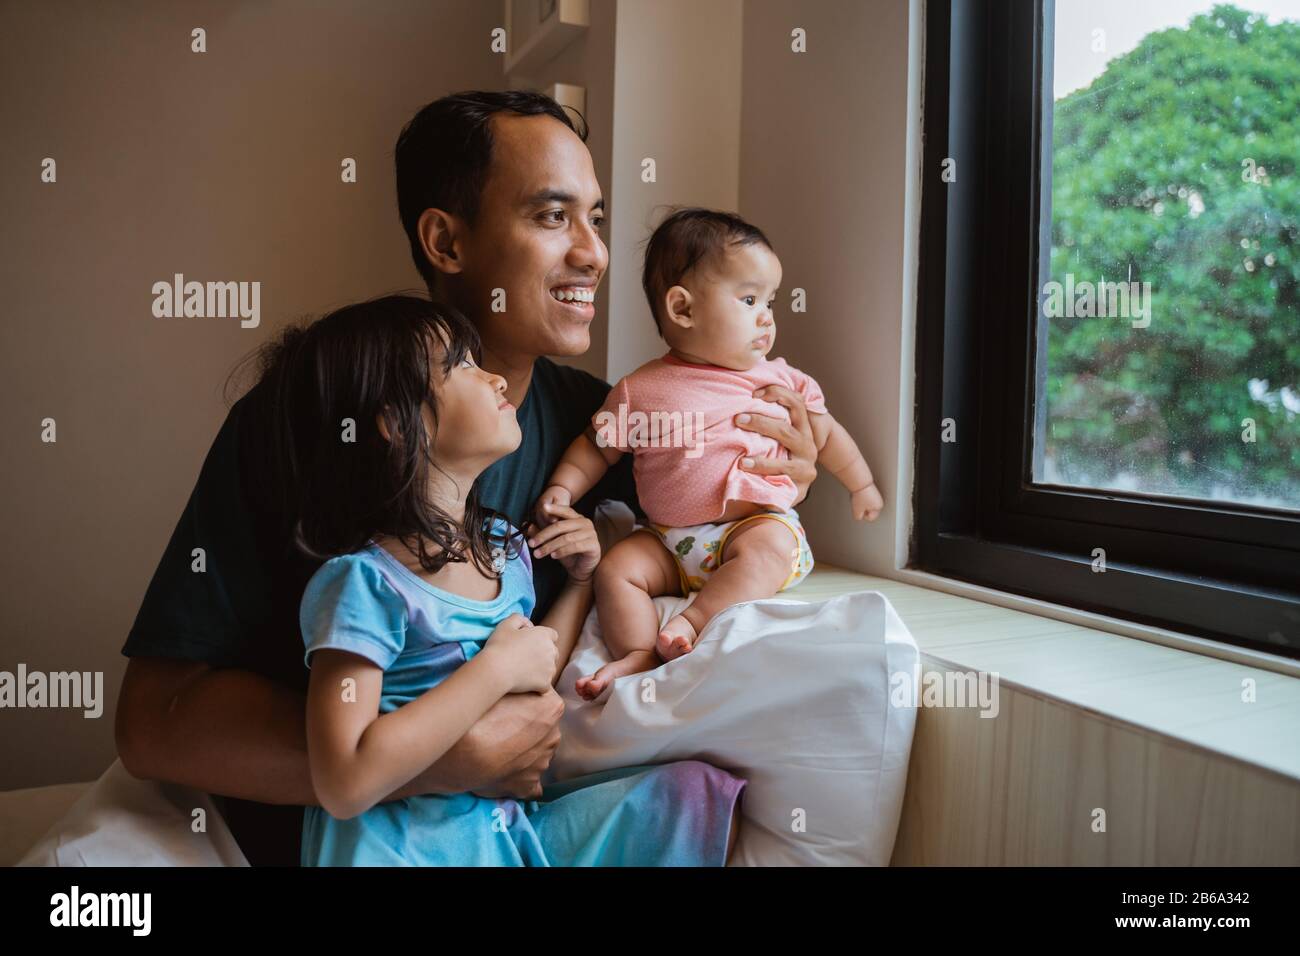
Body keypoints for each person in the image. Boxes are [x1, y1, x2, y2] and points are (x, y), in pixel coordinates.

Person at [116, 90, 819, 866]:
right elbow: (156, 719)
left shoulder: (606, 430)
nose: (594, 254)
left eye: (597, 218)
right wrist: (435, 763)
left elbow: (686, 559)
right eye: (553, 218)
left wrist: (774, 488)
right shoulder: (305, 423)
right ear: (446, 242)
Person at [537, 208, 883, 700]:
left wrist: (861, 484)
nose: (767, 316)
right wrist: (562, 489)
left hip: (752, 528)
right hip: (668, 541)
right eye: (749, 299)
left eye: (771, 301)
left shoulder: (779, 379)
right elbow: (596, 449)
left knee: (768, 552)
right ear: (683, 309)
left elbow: (825, 435)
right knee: (617, 569)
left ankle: (694, 622)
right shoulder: (641, 390)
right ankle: (637, 651)